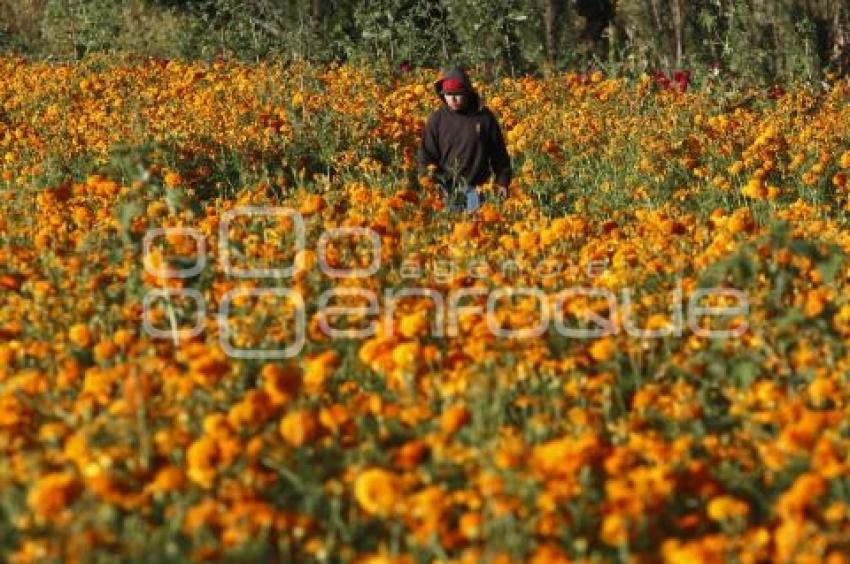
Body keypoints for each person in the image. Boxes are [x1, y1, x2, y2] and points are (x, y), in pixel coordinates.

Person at [416, 66, 512, 213]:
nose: (452, 99)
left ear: (467, 92)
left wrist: (502, 182)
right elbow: (426, 156)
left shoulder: (484, 117)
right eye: (448, 94)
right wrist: (431, 186)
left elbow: (499, 154)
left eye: (457, 94)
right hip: (447, 190)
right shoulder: (437, 119)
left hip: (478, 190)